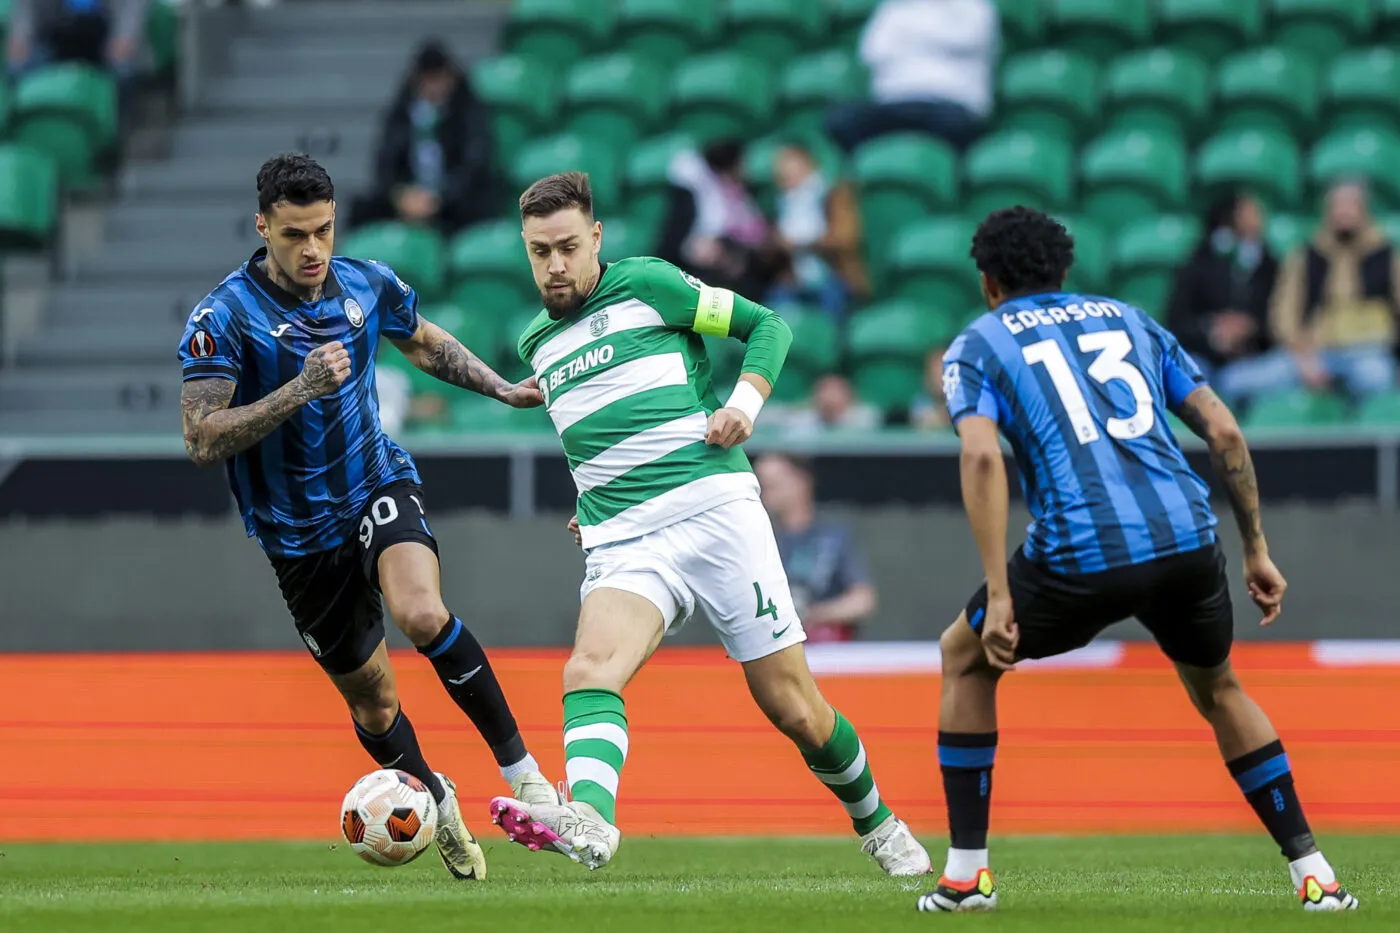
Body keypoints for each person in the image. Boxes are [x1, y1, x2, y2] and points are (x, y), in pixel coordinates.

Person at [487, 172, 930, 877]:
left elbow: (768, 324)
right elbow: (597, 432)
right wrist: (594, 493)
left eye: (569, 246)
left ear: (595, 237)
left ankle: (879, 824)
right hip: (625, 537)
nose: (556, 265)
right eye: (540, 251)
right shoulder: (536, 343)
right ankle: (592, 820)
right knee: (589, 669)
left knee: (793, 707)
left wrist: (745, 403)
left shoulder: (647, 284)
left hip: (713, 512)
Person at [917, 207, 1358, 913]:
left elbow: (978, 454)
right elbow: (1223, 428)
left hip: (1080, 553)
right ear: (1065, 271)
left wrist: (1000, 591)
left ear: (988, 283)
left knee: (966, 656)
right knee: (1220, 690)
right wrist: (1256, 548)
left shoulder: (979, 342)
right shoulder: (1130, 319)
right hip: (1187, 538)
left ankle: (967, 876)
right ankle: (1316, 873)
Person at [176, 153, 558, 882]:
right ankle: (437, 802)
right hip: (298, 537)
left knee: (421, 611)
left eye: (322, 228)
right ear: (263, 228)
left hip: (374, 482)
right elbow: (200, 437)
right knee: (376, 701)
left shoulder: (365, 282)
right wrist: (301, 387)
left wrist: (504, 389)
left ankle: (527, 775)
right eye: (295, 234)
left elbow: (423, 341)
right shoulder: (222, 317)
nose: (313, 248)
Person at [1216, 179, 1399, 406]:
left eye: (1350, 205)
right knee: (1234, 381)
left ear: (1364, 209)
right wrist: (1304, 357)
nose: (1344, 213)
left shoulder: (1388, 255)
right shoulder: (1306, 255)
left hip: (1369, 350)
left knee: (1376, 380)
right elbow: (1283, 315)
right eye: (1337, 206)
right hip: (1314, 351)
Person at [350, 40, 495, 235]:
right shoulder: (401, 113)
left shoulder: (468, 112)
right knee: (360, 208)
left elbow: (474, 164)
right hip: (409, 196)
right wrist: (400, 195)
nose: (433, 87)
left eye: (438, 79)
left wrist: (439, 198)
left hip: (452, 199)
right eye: (427, 80)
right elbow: (385, 161)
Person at [825, 0, 998, 153]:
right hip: (894, 101)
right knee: (843, 120)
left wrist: (909, 35)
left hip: (949, 102)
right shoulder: (895, 7)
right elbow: (872, 52)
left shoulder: (974, 6)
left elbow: (967, 38)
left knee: (954, 127)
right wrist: (933, 41)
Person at [755, 453, 878, 644]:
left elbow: (863, 600)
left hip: (830, 654)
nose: (765, 494)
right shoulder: (760, 541)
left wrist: (813, 614)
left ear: (801, 481)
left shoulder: (832, 537)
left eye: (773, 485)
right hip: (777, 651)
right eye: (761, 486)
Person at [1164, 192, 1277, 385]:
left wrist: (1248, 327)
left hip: (1252, 360)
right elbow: (1177, 319)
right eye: (1250, 212)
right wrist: (1212, 330)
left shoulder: (1270, 265)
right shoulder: (1198, 262)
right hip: (1202, 356)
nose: (1258, 219)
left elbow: (1278, 317)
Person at [654, 138, 778, 298]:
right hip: (697, 265)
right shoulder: (697, 193)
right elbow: (681, 240)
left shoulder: (739, 193)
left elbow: (752, 231)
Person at [764, 140, 869, 319]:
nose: (783, 172)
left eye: (789, 166)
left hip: (833, 277)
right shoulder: (783, 203)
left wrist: (803, 243)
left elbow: (845, 238)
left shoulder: (833, 195)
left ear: (807, 164)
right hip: (796, 280)